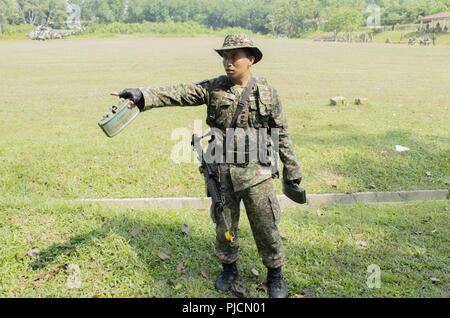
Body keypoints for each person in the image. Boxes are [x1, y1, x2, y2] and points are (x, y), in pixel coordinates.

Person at [118, 34, 302, 298]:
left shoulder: (268, 94)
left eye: (234, 56)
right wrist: (142, 95)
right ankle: (229, 268)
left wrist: (292, 169)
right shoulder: (214, 88)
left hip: (257, 174)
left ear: (250, 59)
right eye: (225, 57)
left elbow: (281, 132)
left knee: (266, 226)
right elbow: (179, 93)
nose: (228, 62)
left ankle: (275, 274)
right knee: (224, 225)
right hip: (221, 172)